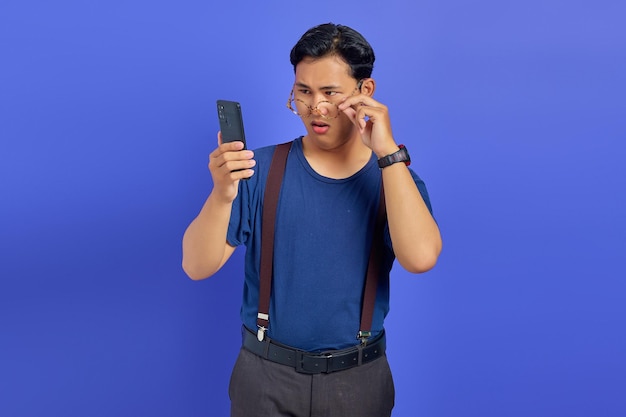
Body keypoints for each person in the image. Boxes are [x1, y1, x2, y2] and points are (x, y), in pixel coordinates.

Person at [182, 22, 442, 417]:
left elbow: (421, 258)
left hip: (358, 378)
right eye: (303, 92)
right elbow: (196, 266)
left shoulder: (394, 178)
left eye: (330, 93)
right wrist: (222, 193)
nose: (315, 108)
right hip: (264, 375)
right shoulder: (260, 170)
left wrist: (388, 152)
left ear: (364, 93)